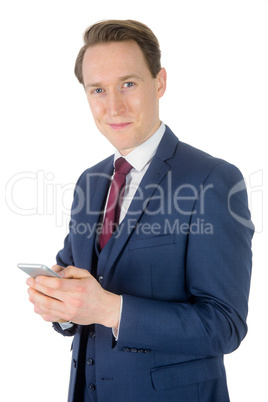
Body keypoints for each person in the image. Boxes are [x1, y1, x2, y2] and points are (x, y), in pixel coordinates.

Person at [27, 20, 254, 402]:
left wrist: (112, 310)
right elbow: (78, 280)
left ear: (160, 82)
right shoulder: (91, 180)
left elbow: (225, 326)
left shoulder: (213, 180)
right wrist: (59, 304)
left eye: (128, 84)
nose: (112, 105)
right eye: (98, 90)